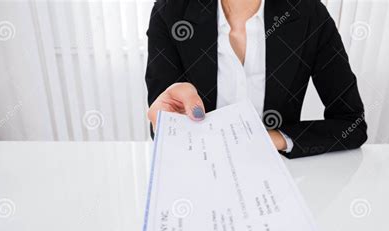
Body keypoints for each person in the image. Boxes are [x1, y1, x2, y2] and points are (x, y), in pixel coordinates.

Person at [146, 0, 367, 158]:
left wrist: (271, 140)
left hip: (280, 178)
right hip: (198, 171)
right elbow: (163, 123)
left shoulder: (309, 14)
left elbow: (352, 124)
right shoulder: (170, 11)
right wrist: (168, 123)